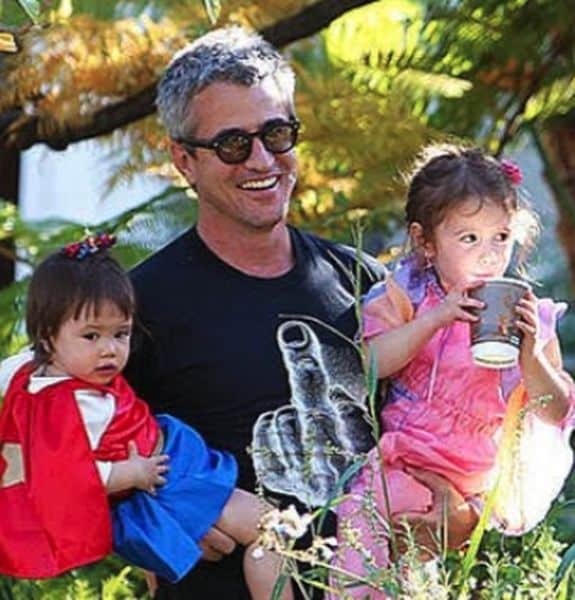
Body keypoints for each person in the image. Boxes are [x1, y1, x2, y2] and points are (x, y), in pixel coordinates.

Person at [125, 27, 479, 598]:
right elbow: (67, 457)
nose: (262, 159)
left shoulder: (365, 281)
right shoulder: (138, 306)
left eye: (277, 133)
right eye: (233, 144)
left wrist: (458, 515)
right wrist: (155, 512)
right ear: (184, 160)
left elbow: (441, 423)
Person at [333, 144, 575, 598]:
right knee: (361, 543)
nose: (489, 255)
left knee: (419, 573)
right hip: (403, 459)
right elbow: (369, 364)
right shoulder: (408, 295)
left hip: (475, 479)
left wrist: (531, 356)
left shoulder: (531, 315)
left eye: (500, 238)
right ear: (425, 242)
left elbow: (556, 408)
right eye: (469, 239)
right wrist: (434, 319)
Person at [0, 234, 294, 600]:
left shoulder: (37, 371)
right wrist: (132, 474)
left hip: (171, 464)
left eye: (120, 333)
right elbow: (65, 474)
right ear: (48, 337)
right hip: (170, 478)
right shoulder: (73, 405)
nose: (109, 350)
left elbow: (9, 368)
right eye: (91, 336)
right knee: (275, 528)